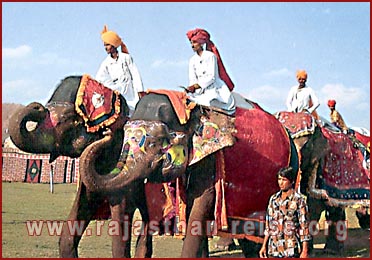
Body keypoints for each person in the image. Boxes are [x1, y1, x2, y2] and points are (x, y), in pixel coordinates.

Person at [259, 167, 311, 258]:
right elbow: (269, 226)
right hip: (274, 249)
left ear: (291, 181)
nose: (281, 182)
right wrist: (264, 246)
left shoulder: (299, 200)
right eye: (279, 179)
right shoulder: (274, 199)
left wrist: (304, 250)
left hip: (291, 249)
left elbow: (304, 226)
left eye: (284, 180)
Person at [184, 28, 236, 114]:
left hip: (214, 89)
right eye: (191, 43)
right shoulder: (192, 60)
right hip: (199, 91)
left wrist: (196, 86)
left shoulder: (210, 56)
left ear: (201, 44)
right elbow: (192, 79)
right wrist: (191, 88)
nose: (192, 45)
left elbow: (212, 77)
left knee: (210, 102)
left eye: (194, 43)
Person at [96, 25, 144, 115]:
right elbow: (100, 79)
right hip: (117, 94)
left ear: (113, 45)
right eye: (104, 45)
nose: (105, 48)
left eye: (107, 45)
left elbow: (135, 74)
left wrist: (140, 90)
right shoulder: (105, 63)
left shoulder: (126, 57)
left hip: (131, 93)